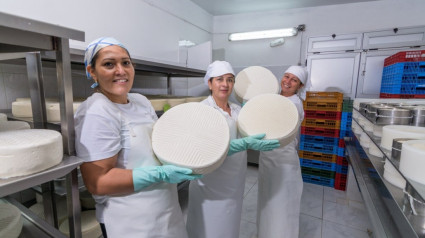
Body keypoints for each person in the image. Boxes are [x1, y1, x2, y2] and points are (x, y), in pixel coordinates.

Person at [74, 37, 201, 238]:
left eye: (126, 62)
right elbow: (97, 182)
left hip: (166, 207)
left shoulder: (140, 101)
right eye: (109, 64)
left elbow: (158, 144)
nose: (121, 70)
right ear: (92, 72)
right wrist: (159, 174)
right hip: (129, 220)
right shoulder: (96, 111)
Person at [186, 61, 280, 238]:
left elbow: (250, 131)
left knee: (229, 227)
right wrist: (241, 145)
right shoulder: (202, 110)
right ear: (209, 83)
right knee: (208, 229)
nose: (225, 84)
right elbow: (202, 149)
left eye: (230, 80)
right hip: (210, 184)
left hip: (234, 180)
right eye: (219, 79)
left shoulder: (238, 111)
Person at [256, 65, 311, 238]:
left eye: (294, 80)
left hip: (283, 159)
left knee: (281, 203)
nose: (287, 82)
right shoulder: (276, 97)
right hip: (267, 156)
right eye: (286, 76)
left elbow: (274, 127)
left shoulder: (294, 104)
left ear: (300, 86)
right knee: (267, 199)